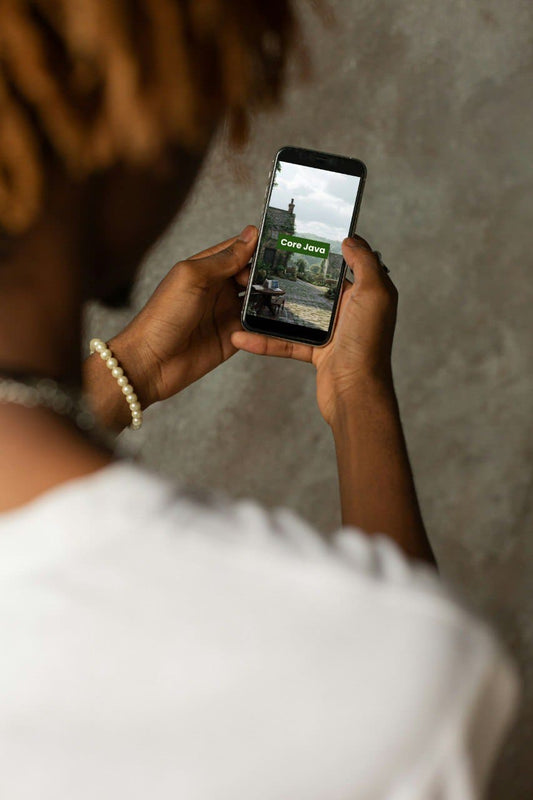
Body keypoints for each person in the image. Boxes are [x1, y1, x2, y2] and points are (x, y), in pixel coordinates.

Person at [0, 1, 518, 798]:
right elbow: (395, 656)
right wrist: (354, 394)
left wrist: (127, 370)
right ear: (141, 132)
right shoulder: (393, 666)